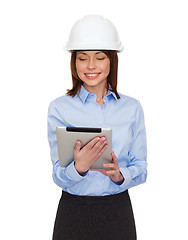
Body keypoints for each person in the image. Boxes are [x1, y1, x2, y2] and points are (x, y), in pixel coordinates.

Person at [48, 15, 147, 240]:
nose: (90, 66)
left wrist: (120, 175)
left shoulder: (131, 109)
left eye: (99, 57)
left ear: (111, 60)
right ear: (74, 62)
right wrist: (78, 167)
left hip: (117, 213)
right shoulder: (59, 108)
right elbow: (58, 174)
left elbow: (141, 167)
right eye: (82, 58)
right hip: (73, 213)